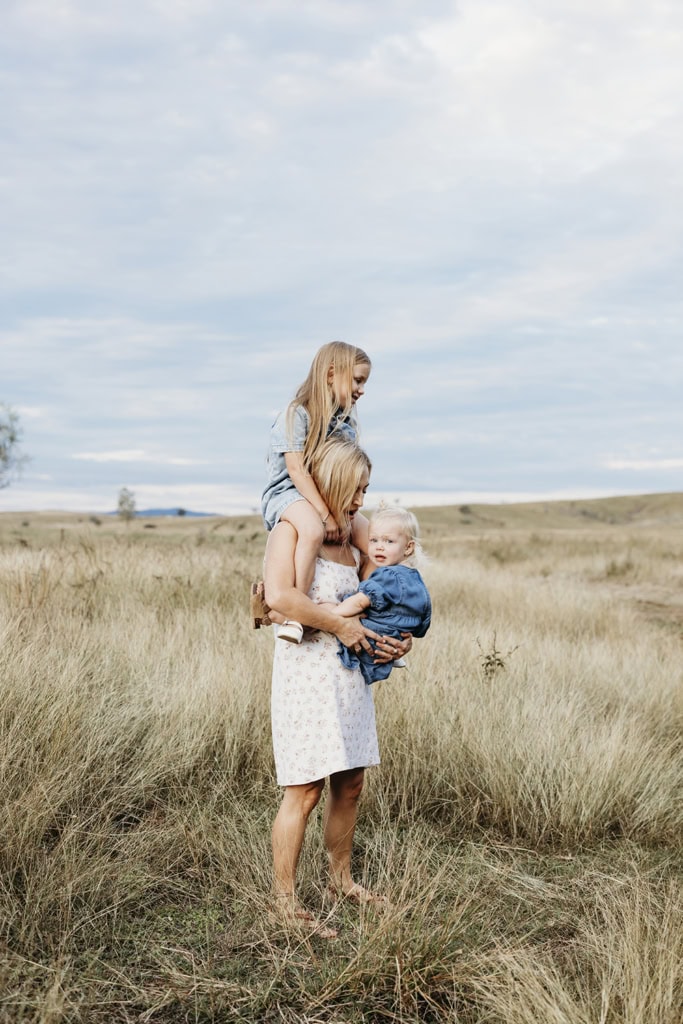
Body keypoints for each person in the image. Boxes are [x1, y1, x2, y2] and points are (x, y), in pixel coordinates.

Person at [263, 438, 412, 939]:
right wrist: (341, 625)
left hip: (350, 680)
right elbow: (281, 600)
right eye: (356, 489)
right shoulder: (290, 528)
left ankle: (339, 881)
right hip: (305, 679)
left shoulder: (354, 539)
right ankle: (284, 903)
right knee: (303, 789)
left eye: (366, 490)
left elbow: (386, 596)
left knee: (350, 783)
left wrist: (400, 640)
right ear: (333, 481)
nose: (360, 500)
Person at [261, 341, 372, 643]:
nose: (362, 389)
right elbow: (296, 470)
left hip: (324, 497)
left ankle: (374, 612)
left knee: (373, 538)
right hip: (288, 493)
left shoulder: (344, 425)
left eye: (365, 382)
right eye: (358, 380)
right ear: (332, 373)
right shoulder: (297, 414)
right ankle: (295, 611)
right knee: (310, 530)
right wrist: (325, 515)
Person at [328, 505, 431, 685]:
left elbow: (359, 603)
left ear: (408, 548)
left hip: (370, 641)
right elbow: (422, 624)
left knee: (349, 599)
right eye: (373, 540)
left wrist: (331, 615)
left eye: (388, 541)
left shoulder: (388, 575)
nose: (379, 547)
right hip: (388, 645)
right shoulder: (417, 580)